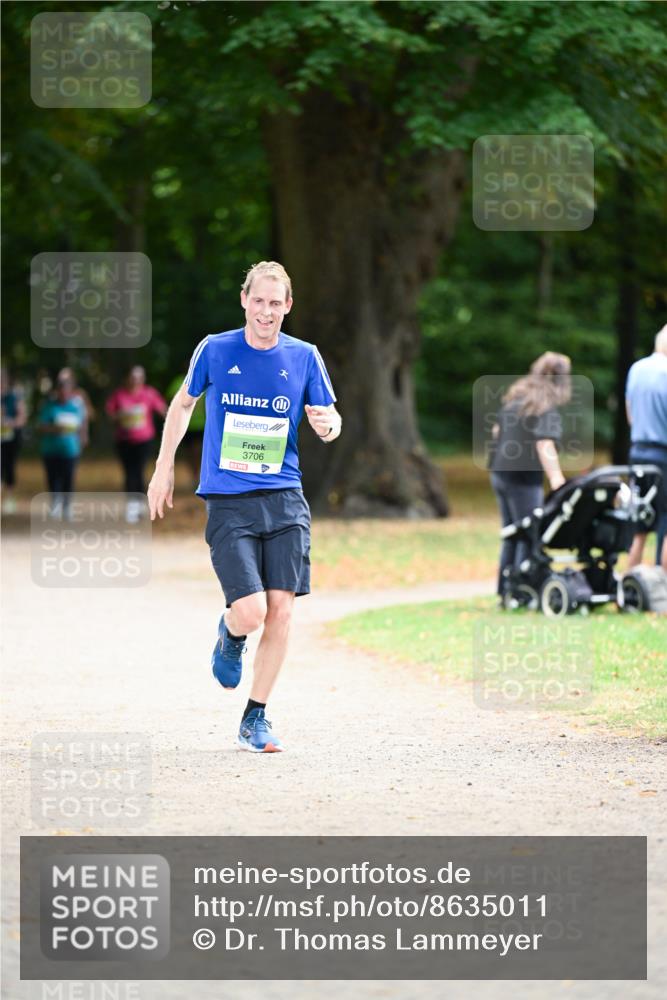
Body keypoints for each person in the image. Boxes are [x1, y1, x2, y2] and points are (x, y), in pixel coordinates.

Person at [147, 261, 341, 753]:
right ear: (245, 300)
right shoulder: (215, 349)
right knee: (252, 612)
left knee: (281, 611)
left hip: (285, 498)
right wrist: (163, 467)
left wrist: (327, 426)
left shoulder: (305, 357)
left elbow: (331, 418)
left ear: (288, 306)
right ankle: (231, 632)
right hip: (230, 501)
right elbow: (183, 405)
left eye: (276, 303)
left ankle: (255, 717)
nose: (267, 311)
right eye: (260, 301)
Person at [489, 352, 571, 603]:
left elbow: (496, 431)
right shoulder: (544, 405)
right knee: (529, 533)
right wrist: (557, 480)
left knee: (512, 533)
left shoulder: (518, 397)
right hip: (523, 478)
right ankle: (523, 592)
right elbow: (544, 443)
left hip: (499, 472)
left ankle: (506, 590)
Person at [625, 325, 667, 571]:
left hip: (638, 452)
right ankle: (663, 585)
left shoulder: (637, 368)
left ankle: (629, 583)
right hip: (663, 455)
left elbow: (631, 415)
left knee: (639, 521)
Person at [106, 366, 167, 523]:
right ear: (127, 379)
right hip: (124, 441)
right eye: (133, 377)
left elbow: (163, 410)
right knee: (129, 473)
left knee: (139, 472)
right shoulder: (119, 395)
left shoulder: (149, 393)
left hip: (144, 440)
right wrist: (122, 415)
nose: (136, 381)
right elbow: (109, 415)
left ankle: (140, 505)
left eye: (139, 378)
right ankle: (132, 506)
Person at [37, 371, 86, 520]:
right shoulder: (49, 406)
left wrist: (83, 439)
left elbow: (82, 425)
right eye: (61, 390)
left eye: (67, 390)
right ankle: (55, 505)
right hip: (50, 450)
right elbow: (41, 426)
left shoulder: (77, 406)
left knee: (68, 479)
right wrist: (55, 429)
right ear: (58, 391)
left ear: (71, 391)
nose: (64, 393)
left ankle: (67, 507)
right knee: (53, 479)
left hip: (70, 450)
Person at [167, 365, 206, 488]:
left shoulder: (204, 381)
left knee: (199, 451)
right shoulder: (178, 382)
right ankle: (193, 475)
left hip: (202, 424)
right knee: (189, 452)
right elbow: (170, 399)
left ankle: (198, 475)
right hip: (185, 425)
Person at [1, 366, 27, 514]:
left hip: (11, 439)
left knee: (9, 467)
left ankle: (9, 498)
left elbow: (22, 417)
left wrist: (11, 422)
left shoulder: (14, 397)